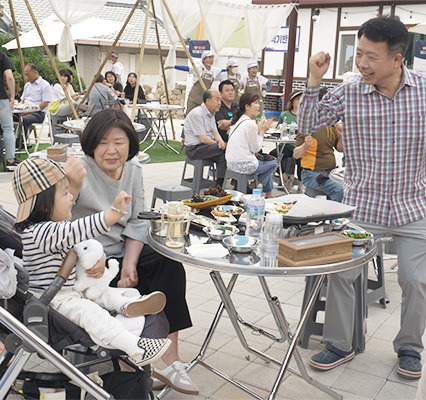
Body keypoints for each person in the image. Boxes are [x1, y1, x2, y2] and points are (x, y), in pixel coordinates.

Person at [298, 16, 426, 379]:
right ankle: (340, 343)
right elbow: (307, 124)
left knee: (417, 281)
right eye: (359, 53)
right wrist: (314, 81)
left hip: (413, 205)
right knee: (342, 273)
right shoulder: (351, 91)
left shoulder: (424, 92)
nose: (361, 63)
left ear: (397, 58)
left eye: (371, 56)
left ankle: (409, 349)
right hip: (362, 205)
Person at [66, 109, 198, 395]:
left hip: (123, 247)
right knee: (107, 285)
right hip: (86, 255)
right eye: (102, 142)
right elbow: (61, 223)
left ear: (130, 143)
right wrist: (89, 254)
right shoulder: (78, 170)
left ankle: (169, 360)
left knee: (168, 263)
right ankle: (126, 359)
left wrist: (130, 263)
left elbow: (138, 220)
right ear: (90, 143)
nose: (111, 150)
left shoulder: (134, 169)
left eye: (118, 142)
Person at [12, 157, 171, 368]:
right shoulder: (40, 233)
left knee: (102, 293)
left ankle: (127, 305)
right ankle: (136, 348)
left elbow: (75, 240)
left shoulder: (48, 229)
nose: (71, 198)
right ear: (44, 201)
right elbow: (78, 229)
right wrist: (113, 214)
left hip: (67, 290)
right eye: (65, 193)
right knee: (92, 314)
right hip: (54, 300)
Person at [293, 88, 343, 202]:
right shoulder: (308, 125)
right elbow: (296, 154)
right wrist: (305, 146)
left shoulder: (331, 124)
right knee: (339, 189)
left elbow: (340, 149)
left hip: (331, 172)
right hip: (311, 174)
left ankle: (334, 214)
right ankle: (334, 217)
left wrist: (342, 135)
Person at [226, 93, 276, 198]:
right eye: (256, 103)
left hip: (231, 163)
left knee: (267, 163)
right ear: (247, 106)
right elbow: (256, 149)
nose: (258, 106)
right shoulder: (250, 124)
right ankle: (254, 186)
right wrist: (262, 132)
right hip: (244, 164)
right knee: (274, 163)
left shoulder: (239, 121)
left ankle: (269, 193)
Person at [184, 89, 226, 187]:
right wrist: (219, 145)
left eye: (220, 100)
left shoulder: (211, 114)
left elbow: (215, 132)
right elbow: (203, 139)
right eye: (217, 100)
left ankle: (219, 184)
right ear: (208, 101)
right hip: (194, 149)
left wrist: (221, 142)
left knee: (225, 154)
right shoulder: (197, 113)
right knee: (225, 149)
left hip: (205, 147)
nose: (219, 103)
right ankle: (220, 185)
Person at [167, 50, 222, 115]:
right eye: (209, 58)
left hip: (204, 98)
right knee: (190, 114)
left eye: (212, 58)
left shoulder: (214, 70)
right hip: (194, 97)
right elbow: (187, 68)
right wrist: (173, 66)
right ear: (204, 59)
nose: (211, 60)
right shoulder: (198, 68)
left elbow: (223, 71)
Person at [269, 89, 303, 193]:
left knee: (302, 161)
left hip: (300, 146)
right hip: (286, 145)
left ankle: (301, 185)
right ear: (292, 102)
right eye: (297, 99)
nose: (300, 100)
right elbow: (277, 129)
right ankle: (285, 176)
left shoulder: (305, 115)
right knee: (273, 155)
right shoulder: (285, 115)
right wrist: (279, 127)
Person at [16, 64, 52, 137]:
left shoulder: (45, 85)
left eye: (28, 75)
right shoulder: (27, 85)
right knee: (7, 117)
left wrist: (28, 111)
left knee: (23, 119)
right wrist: (17, 106)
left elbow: (44, 104)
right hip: (24, 110)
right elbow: (22, 100)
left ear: (35, 73)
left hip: (39, 113)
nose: (26, 77)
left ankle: (20, 143)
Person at [0, 51, 18, 171]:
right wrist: (12, 96)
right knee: (7, 128)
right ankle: (10, 160)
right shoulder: (2, 56)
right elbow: (10, 77)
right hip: (1, 98)